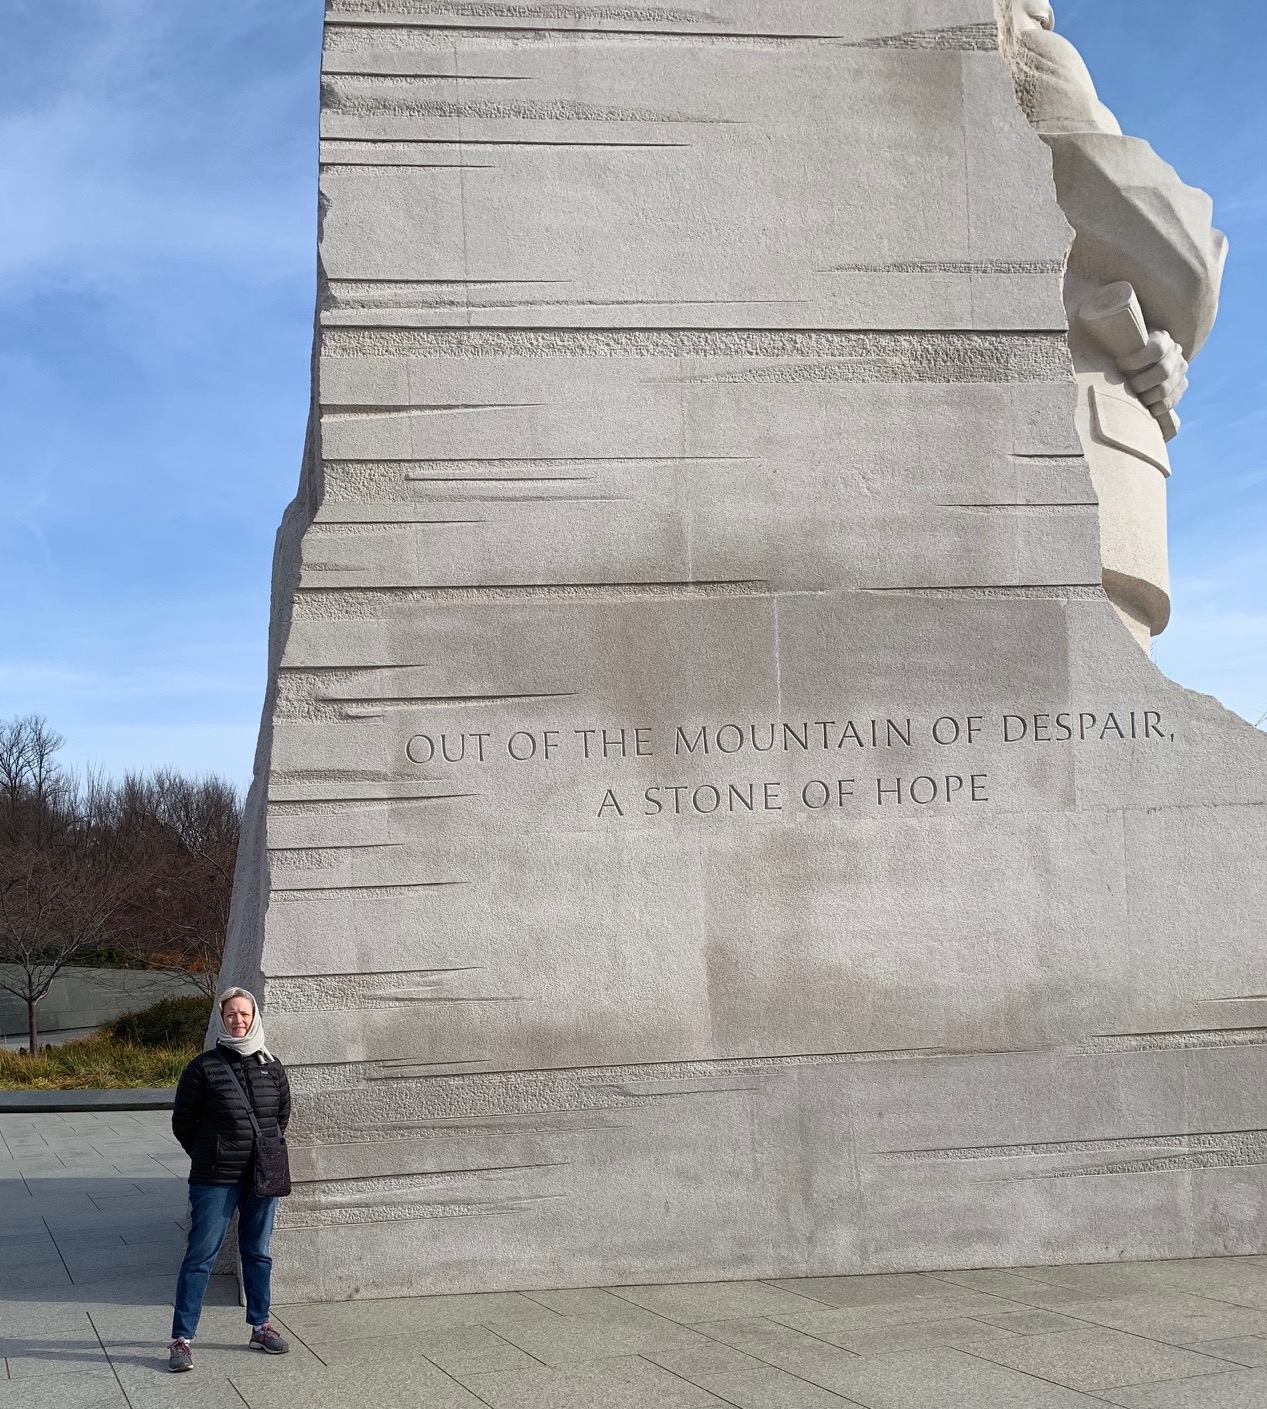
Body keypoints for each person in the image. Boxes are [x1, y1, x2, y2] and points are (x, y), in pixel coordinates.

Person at [166, 987, 292, 1372]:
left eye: (245, 1013)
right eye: (231, 1014)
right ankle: (181, 1339)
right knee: (200, 1257)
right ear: (222, 1019)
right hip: (214, 1179)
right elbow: (182, 1124)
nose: (239, 1020)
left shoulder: (273, 1066)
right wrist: (212, 1154)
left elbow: (280, 1118)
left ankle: (260, 1325)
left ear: (255, 1016)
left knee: (257, 1252)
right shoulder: (203, 1067)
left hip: (261, 1177)